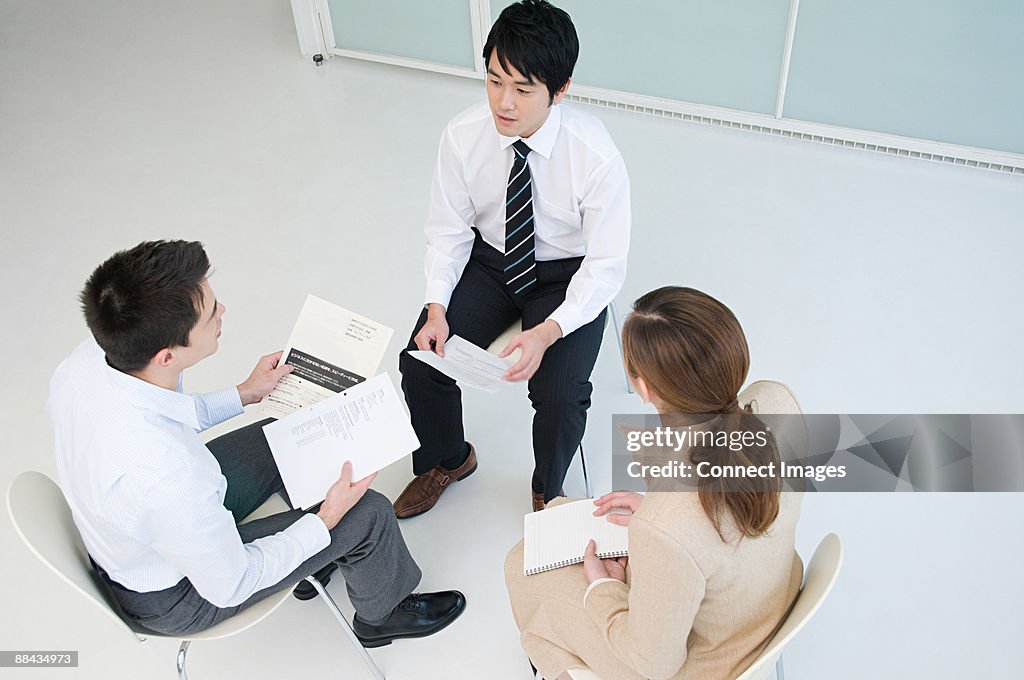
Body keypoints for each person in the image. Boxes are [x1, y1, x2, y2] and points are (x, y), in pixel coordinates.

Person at [47, 240, 465, 643]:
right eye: (211, 313)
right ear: (167, 356)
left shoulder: (90, 361)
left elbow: (165, 414)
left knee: (287, 435)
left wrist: (245, 393)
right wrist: (326, 520)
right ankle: (382, 614)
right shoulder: (167, 477)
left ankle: (315, 557)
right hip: (180, 593)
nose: (223, 310)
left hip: (146, 535)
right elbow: (233, 583)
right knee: (368, 512)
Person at [394, 0, 631, 518]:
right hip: (492, 261)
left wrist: (549, 330)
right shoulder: (462, 135)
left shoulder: (595, 156)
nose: (504, 102)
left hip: (567, 275)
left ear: (560, 89)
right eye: (495, 80)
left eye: (523, 90)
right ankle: (447, 460)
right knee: (422, 360)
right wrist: (437, 306)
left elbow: (607, 265)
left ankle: (548, 487)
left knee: (561, 392)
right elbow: (449, 229)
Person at [504, 286, 805, 680]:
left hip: (710, 662)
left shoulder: (666, 528)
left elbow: (655, 665)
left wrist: (603, 589)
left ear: (644, 388)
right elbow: (720, 512)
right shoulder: (776, 400)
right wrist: (658, 514)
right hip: (771, 598)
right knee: (559, 513)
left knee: (519, 566)